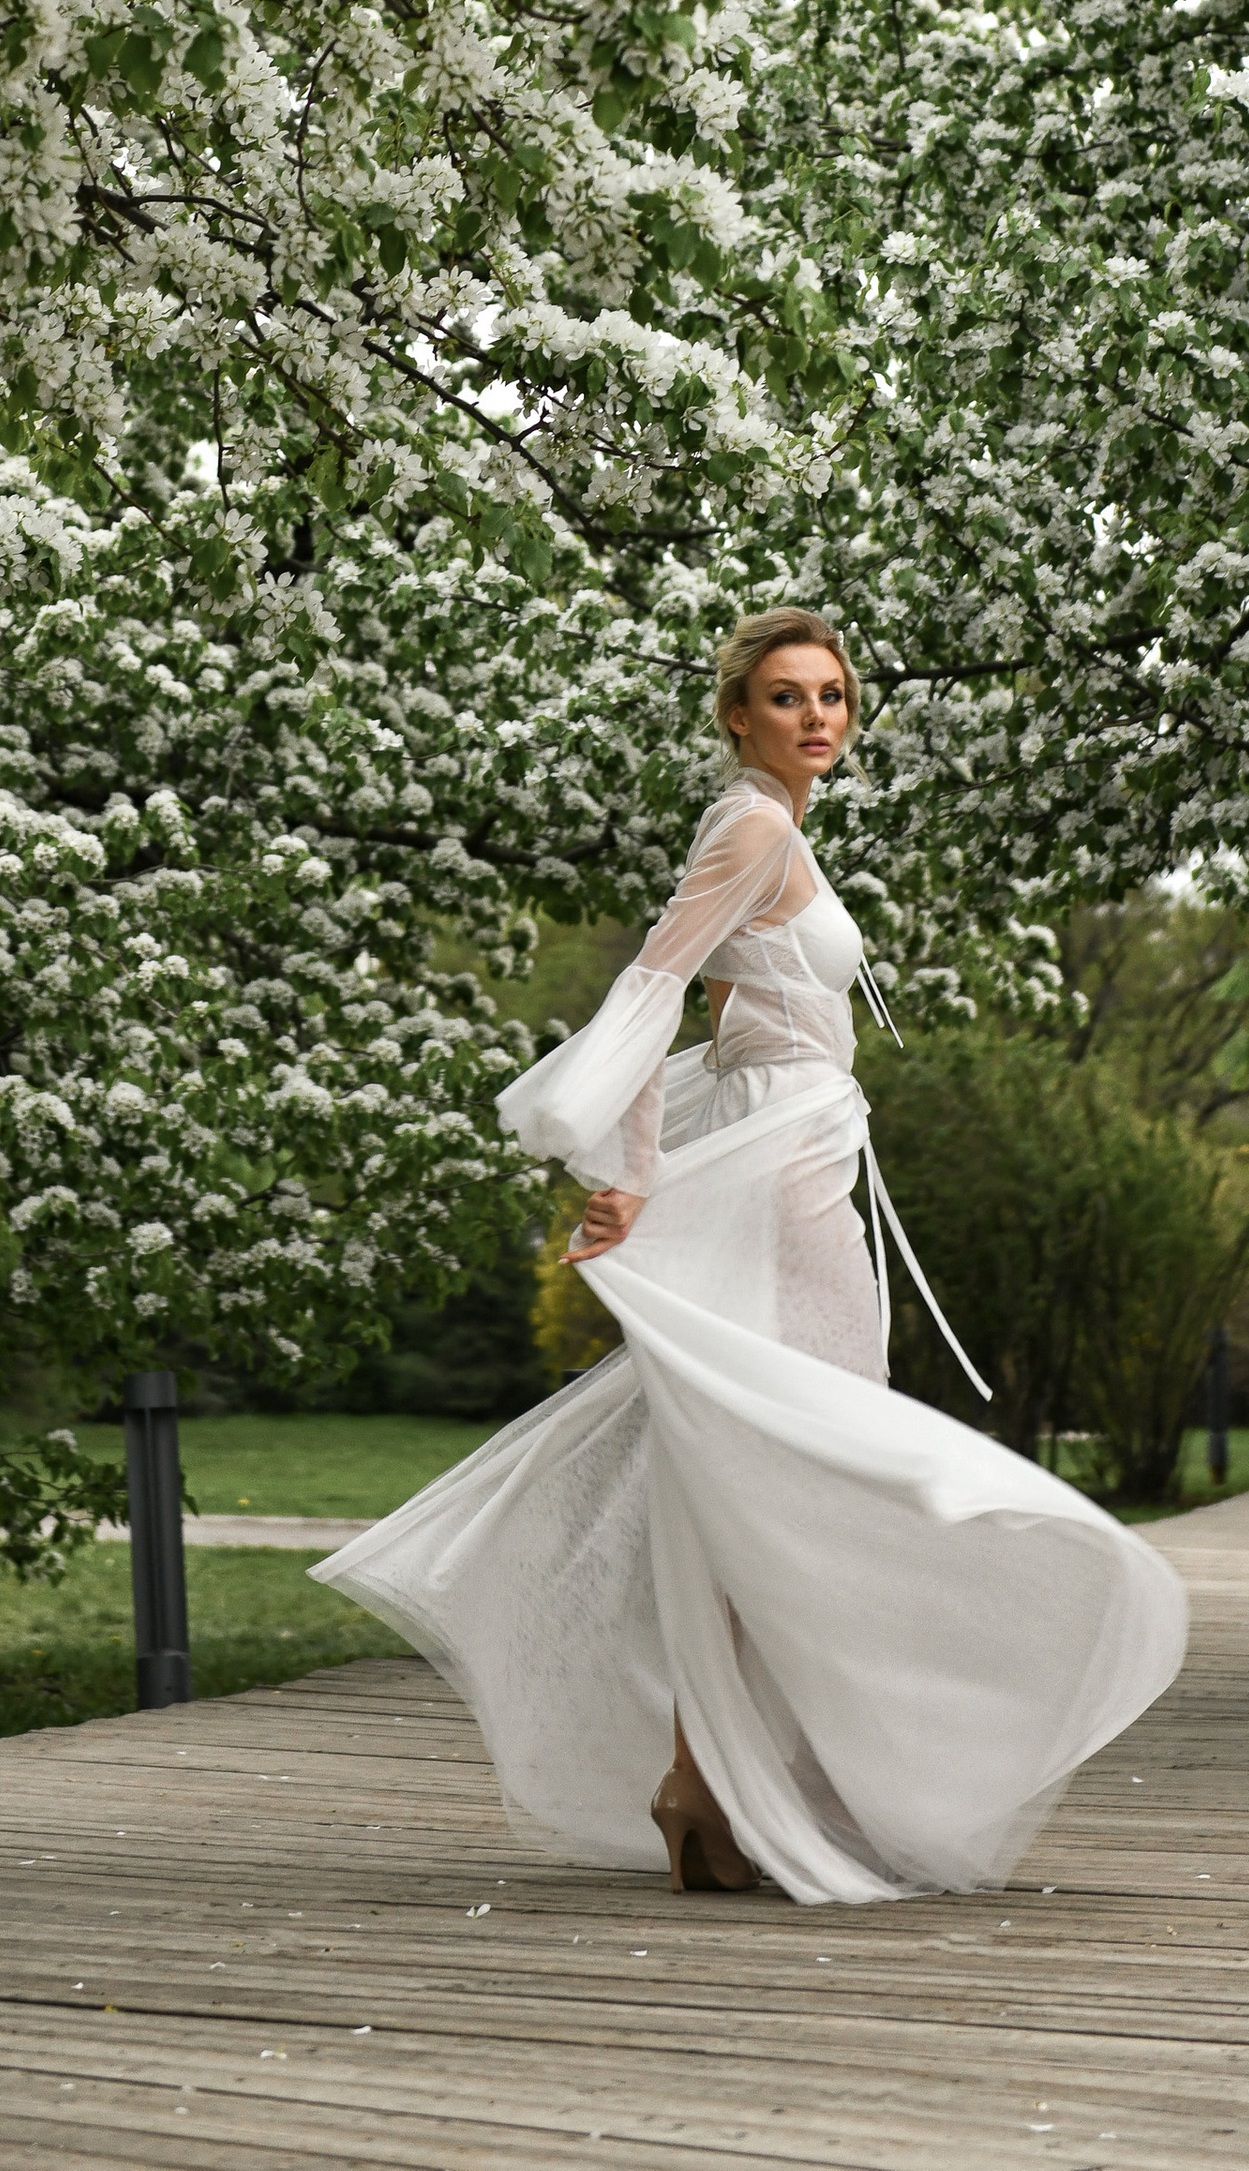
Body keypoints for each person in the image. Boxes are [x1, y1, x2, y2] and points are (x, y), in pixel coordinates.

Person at [314, 607, 1189, 1903]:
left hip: (803, 1153)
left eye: (833, 693)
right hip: (786, 1178)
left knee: (766, 1470)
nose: (818, 716)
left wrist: (654, 1161)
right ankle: (730, 1781)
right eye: (787, 696)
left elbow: (716, 1012)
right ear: (736, 714)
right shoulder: (752, 826)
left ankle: (713, 1784)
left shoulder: (773, 825)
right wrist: (625, 1173)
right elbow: (659, 980)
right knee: (812, 1465)